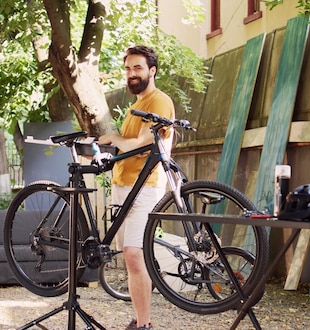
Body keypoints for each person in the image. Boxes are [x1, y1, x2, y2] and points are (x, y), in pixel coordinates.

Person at [98, 45, 175, 330]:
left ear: (152, 70)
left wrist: (113, 138)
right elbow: (129, 146)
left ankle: (144, 325)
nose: (131, 74)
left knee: (134, 253)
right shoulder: (136, 106)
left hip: (146, 186)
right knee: (131, 258)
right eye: (128, 69)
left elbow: (144, 143)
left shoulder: (158, 100)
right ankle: (138, 320)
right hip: (124, 185)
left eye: (138, 68)